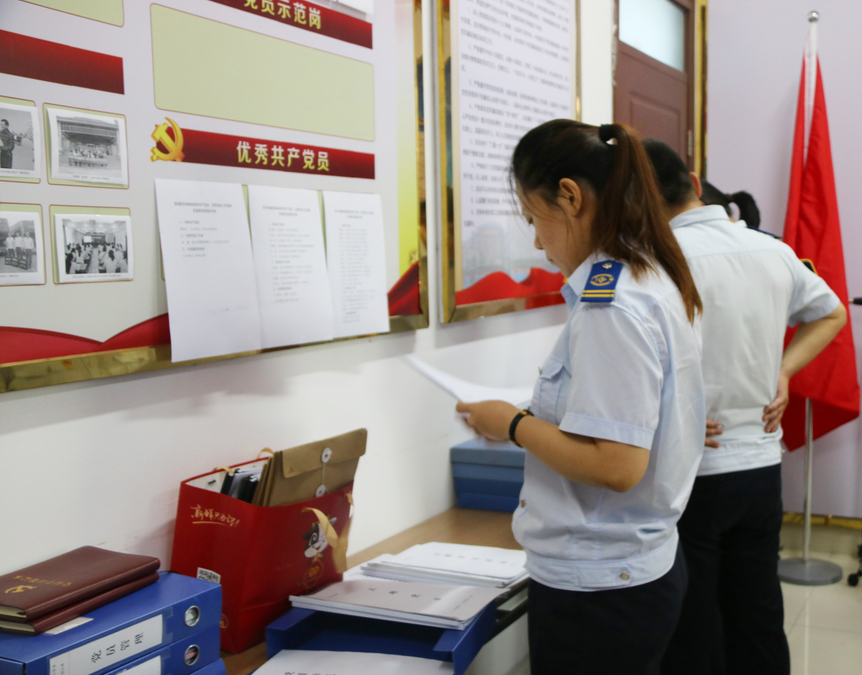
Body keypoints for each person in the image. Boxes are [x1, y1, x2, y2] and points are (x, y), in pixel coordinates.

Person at [456, 121, 705, 674]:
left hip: (600, 587)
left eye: (533, 219)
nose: (537, 242)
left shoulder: (610, 305)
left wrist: (512, 424)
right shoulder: (647, 274)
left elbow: (616, 466)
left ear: (570, 197)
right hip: (632, 568)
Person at [644, 139, 847, 675]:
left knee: (694, 624)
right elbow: (831, 313)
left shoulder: (654, 264)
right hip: (759, 466)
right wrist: (783, 369)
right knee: (757, 615)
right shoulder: (770, 250)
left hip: (692, 471)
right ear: (693, 183)